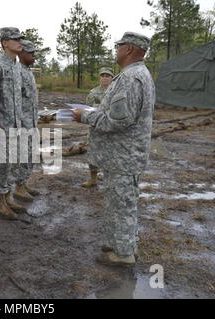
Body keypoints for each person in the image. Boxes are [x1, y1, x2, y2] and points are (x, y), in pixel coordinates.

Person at [73, 32, 156, 267]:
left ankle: (123, 254)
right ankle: (119, 242)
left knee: (122, 205)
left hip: (123, 156)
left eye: (119, 46)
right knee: (118, 202)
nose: (116, 49)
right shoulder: (136, 74)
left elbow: (119, 121)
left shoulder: (131, 78)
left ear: (129, 49)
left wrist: (85, 116)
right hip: (122, 155)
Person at [0, 27, 26, 220]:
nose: (20, 42)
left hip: (15, 125)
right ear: (4, 43)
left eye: (21, 39)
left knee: (11, 163)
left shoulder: (17, 65)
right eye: (15, 39)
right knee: (1, 163)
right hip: (1, 126)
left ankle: (7, 196)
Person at [14, 39, 41, 202]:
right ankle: (18, 187)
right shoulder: (17, 72)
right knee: (22, 156)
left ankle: (23, 184)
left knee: (29, 155)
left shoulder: (28, 72)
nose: (34, 56)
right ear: (21, 54)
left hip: (30, 122)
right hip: (22, 123)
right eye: (31, 53)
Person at [82, 67, 115, 189]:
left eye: (107, 75)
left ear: (112, 78)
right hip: (95, 129)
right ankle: (93, 179)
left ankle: (110, 180)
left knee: (111, 154)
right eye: (102, 75)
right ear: (100, 78)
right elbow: (87, 109)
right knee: (92, 153)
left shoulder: (116, 92)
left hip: (111, 129)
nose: (105, 78)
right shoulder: (93, 92)